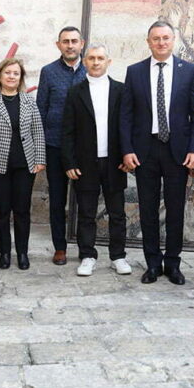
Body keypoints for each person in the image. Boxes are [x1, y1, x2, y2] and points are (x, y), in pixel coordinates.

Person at [120, 20, 194, 285]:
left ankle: (173, 263)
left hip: (177, 151)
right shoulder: (134, 72)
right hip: (145, 150)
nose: (161, 43)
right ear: (148, 42)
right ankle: (153, 264)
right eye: (156, 39)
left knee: (176, 209)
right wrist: (126, 150)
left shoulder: (189, 71)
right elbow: (126, 115)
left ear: (173, 40)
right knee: (147, 209)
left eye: (166, 38)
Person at [61, 43, 131, 277]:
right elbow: (67, 130)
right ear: (85, 62)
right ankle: (87, 255)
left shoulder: (121, 91)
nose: (96, 62)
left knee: (117, 213)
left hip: (114, 163)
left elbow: (127, 126)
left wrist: (126, 155)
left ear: (108, 62)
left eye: (100, 58)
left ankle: (118, 256)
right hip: (85, 163)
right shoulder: (75, 92)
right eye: (91, 58)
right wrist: (69, 162)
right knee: (86, 213)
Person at [0, 58, 46, 270]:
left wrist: (40, 159)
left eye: (16, 73)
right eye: (8, 72)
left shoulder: (28, 101)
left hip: (25, 165)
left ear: (20, 77)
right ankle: (5, 252)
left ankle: (22, 253)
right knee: (2, 211)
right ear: (0, 76)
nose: (11, 76)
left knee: (23, 210)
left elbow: (37, 131)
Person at [36, 26, 86, 265]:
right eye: (65, 41)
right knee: (57, 200)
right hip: (54, 146)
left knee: (86, 199)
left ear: (82, 43)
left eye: (74, 41)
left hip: (84, 147)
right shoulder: (48, 72)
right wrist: (40, 149)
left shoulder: (92, 71)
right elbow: (41, 111)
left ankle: (86, 248)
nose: (70, 45)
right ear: (58, 45)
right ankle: (60, 248)